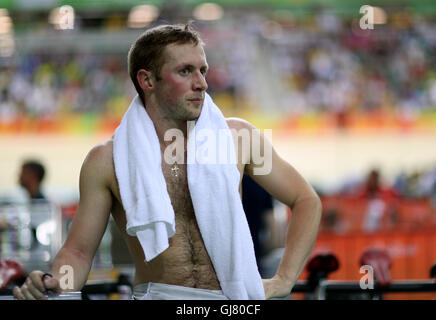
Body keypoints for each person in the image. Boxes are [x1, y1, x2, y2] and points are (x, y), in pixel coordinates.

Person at [13, 23, 322, 300]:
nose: (201, 83)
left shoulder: (241, 138)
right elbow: (78, 251)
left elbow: (305, 199)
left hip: (235, 300)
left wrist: (284, 279)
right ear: (147, 80)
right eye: (185, 71)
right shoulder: (106, 160)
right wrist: (57, 283)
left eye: (203, 70)